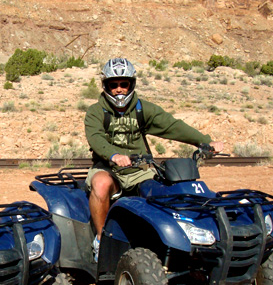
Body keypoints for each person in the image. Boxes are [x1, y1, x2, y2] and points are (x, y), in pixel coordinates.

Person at [84, 58, 223, 261]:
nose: (119, 89)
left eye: (124, 84)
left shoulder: (142, 108)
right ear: (106, 86)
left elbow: (172, 126)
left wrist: (204, 142)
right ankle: (101, 239)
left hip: (140, 170)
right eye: (114, 85)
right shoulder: (96, 112)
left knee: (160, 193)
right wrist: (114, 155)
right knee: (101, 184)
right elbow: (95, 139)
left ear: (132, 84)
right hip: (108, 168)